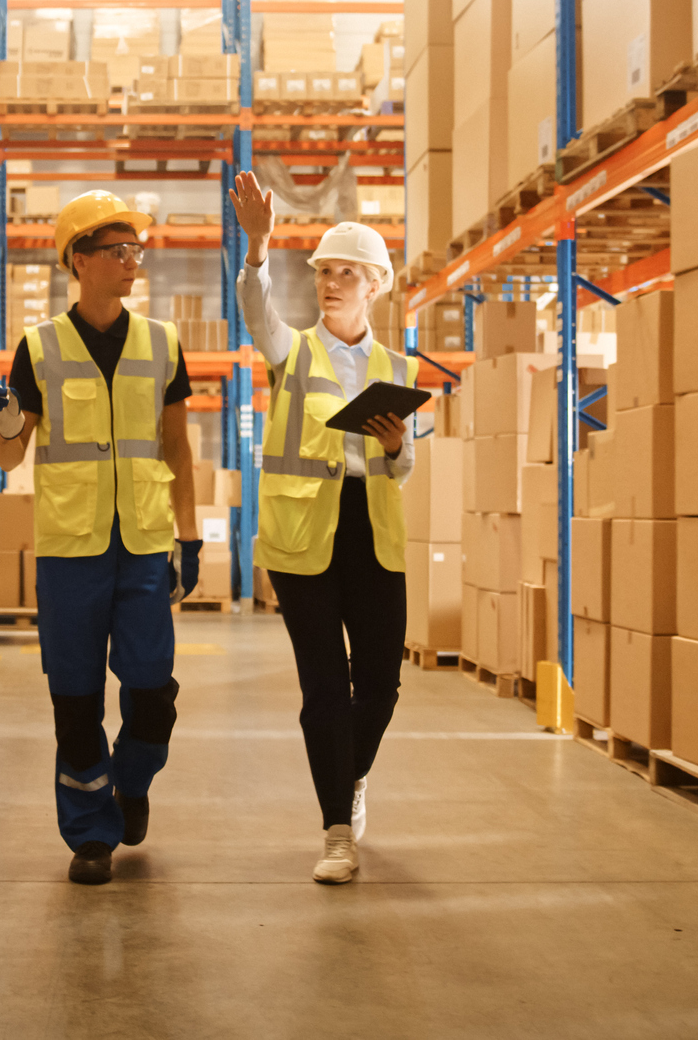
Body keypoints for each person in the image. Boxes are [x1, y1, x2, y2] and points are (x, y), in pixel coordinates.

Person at [0, 190, 205, 886]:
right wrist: (6, 419)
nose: (130, 262)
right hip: (69, 551)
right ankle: (90, 834)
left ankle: (131, 781)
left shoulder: (162, 343)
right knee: (75, 699)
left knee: (153, 692)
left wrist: (190, 538)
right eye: (117, 251)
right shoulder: (38, 347)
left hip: (141, 545)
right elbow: (12, 458)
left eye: (135, 250)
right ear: (78, 261)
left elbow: (177, 447)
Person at [229, 171, 418, 885]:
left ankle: (351, 773)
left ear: (374, 284)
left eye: (345, 273)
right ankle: (337, 830)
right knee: (322, 693)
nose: (330, 283)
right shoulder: (292, 351)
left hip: (373, 538)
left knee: (379, 686)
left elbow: (403, 471)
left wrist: (398, 444)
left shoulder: (394, 368)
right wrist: (256, 248)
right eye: (323, 272)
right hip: (303, 543)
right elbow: (257, 312)